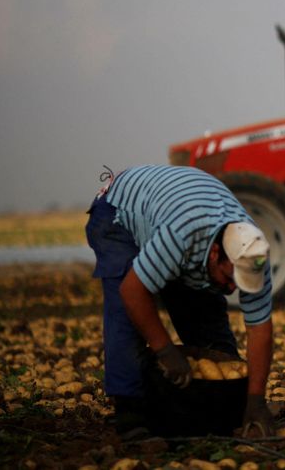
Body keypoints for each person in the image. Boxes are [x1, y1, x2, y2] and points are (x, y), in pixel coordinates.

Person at [84, 164, 275, 438]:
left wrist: (256, 399)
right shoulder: (181, 236)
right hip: (119, 210)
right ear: (216, 255)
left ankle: (227, 402)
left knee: (204, 312)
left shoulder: (255, 255)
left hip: (180, 213)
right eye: (231, 277)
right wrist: (165, 350)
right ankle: (130, 410)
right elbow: (132, 292)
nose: (234, 288)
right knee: (126, 310)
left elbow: (260, 329)